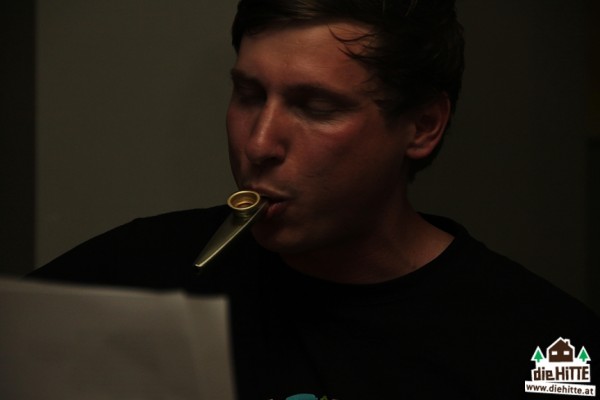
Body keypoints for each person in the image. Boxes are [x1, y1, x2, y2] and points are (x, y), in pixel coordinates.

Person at [29, 0, 600, 399]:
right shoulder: (132, 274)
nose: (259, 144)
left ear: (423, 125)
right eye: (248, 94)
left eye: (316, 107)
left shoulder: (540, 345)